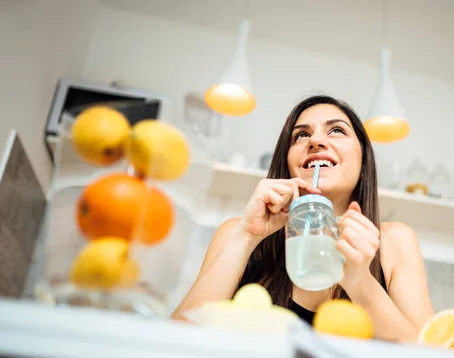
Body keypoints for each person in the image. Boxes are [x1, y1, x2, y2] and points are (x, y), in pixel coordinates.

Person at [172, 95, 434, 342]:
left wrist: (359, 280)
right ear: (287, 162)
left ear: (363, 158)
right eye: (301, 135)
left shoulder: (394, 240)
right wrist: (246, 237)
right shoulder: (238, 233)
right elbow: (177, 338)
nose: (315, 141)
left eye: (336, 131)